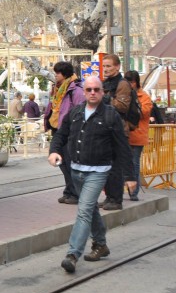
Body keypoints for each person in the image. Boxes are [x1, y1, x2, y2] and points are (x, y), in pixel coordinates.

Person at [48, 75, 132, 274]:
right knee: (90, 209)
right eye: (89, 90)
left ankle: (72, 254)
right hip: (77, 171)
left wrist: (130, 177)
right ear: (84, 92)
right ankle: (100, 245)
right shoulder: (76, 112)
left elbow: (122, 147)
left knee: (84, 210)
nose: (93, 93)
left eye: (96, 89)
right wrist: (54, 150)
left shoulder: (111, 115)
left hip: (98, 171)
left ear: (102, 92)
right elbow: (61, 134)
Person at [43, 61, 85, 205]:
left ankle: (74, 193)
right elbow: (54, 106)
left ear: (64, 74)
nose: (55, 75)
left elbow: (80, 111)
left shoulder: (75, 90)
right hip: (58, 128)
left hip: (69, 130)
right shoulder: (57, 89)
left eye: (57, 73)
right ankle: (69, 191)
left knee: (68, 163)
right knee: (61, 162)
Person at [100, 54, 136, 211]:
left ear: (117, 67)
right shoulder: (105, 83)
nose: (106, 69)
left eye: (109, 66)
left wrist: (105, 99)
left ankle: (116, 199)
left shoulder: (122, 84)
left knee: (116, 167)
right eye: (104, 66)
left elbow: (122, 106)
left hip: (119, 129)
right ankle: (110, 196)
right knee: (107, 166)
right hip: (106, 128)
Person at [124, 70, 153, 201]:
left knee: (134, 164)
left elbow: (143, 113)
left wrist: (131, 103)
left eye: (131, 82)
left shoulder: (144, 97)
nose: (129, 85)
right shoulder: (123, 94)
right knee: (121, 164)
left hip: (137, 136)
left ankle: (133, 192)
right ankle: (119, 190)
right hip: (124, 136)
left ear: (135, 83)